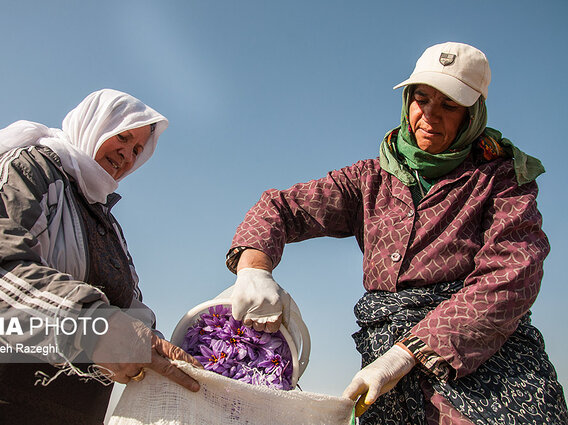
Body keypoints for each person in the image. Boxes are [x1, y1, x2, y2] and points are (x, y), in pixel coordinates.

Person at [225, 42, 568, 424]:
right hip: (384, 354)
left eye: (449, 106)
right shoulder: (369, 177)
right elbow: (281, 208)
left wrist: (406, 354)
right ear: (408, 101)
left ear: (471, 116)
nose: (429, 116)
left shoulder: (500, 179)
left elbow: (511, 275)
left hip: (482, 355)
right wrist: (254, 268)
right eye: (422, 99)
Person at [0, 89, 200, 424]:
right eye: (124, 137)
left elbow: (132, 312)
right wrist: (96, 326)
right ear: (95, 125)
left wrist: (161, 350)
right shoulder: (26, 169)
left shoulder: (106, 223)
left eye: (137, 150)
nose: (127, 154)